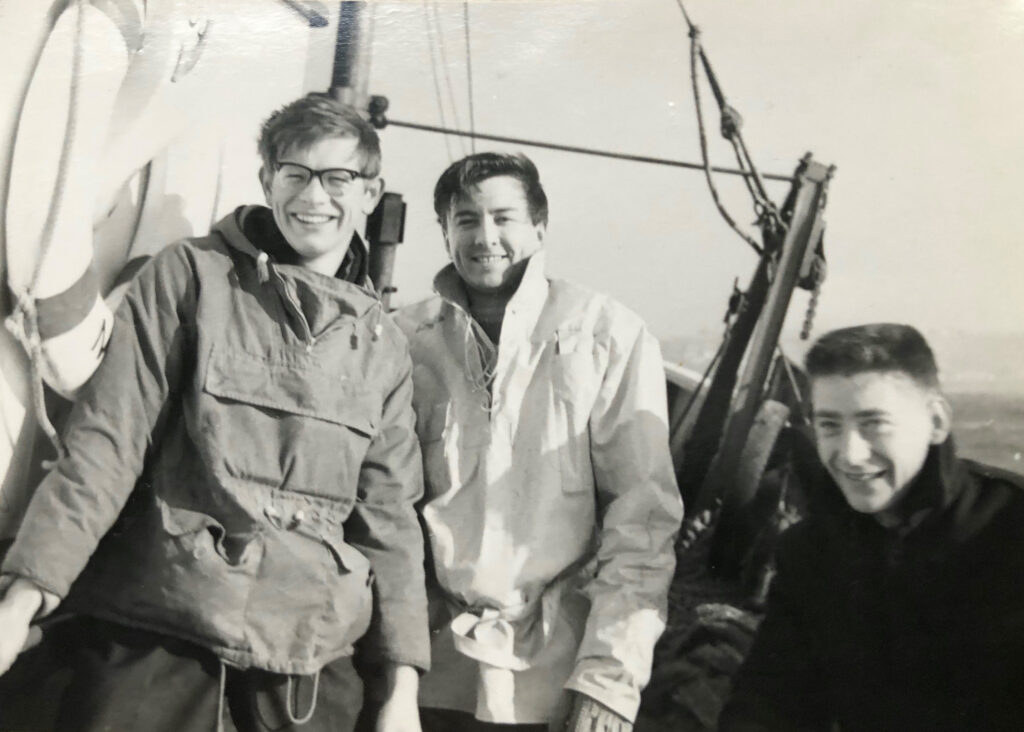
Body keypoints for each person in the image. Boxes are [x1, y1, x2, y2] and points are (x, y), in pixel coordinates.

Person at [0, 94, 429, 732]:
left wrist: (401, 694)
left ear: (371, 192)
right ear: (267, 181)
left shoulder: (383, 344)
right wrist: (21, 601)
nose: (315, 197)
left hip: (303, 662)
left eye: (338, 178)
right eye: (296, 174)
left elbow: (389, 523)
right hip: (161, 634)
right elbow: (106, 446)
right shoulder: (189, 276)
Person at [395, 152, 684, 732]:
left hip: (554, 673)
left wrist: (608, 681)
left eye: (504, 217)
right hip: (428, 670)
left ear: (540, 227)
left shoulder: (606, 335)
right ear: (445, 231)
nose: (486, 237)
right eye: (466, 219)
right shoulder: (405, 339)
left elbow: (642, 524)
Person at [719, 323, 1024, 732]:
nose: (850, 453)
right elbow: (768, 700)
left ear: (936, 421)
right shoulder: (810, 554)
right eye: (829, 425)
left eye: (873, 423)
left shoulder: (1010, 530)